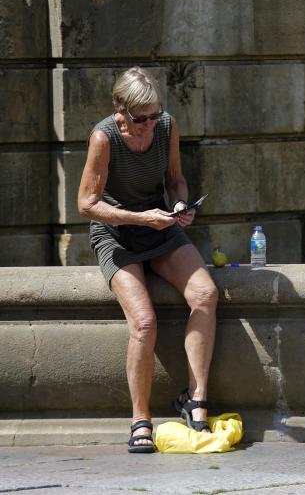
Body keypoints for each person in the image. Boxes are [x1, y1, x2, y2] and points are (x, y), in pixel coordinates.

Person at [77, 67, 218, 453]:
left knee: (205, 293)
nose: (150, 125)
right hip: (116, 233)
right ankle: (140, 419)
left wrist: (178, 203)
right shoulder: (103, 138)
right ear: (120, 110)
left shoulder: (166, 126)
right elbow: (87, 204)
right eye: (142, 119)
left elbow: (175, 178)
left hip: (159, 223)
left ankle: (196, 399)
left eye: (155, 116)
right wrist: (140, 218)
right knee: (144, 321)